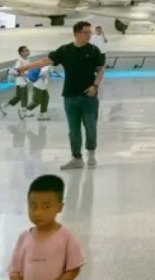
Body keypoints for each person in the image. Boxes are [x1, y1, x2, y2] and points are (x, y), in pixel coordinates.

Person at [17, 21, 105, 170]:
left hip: (89, 97)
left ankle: (91, 153)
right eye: (86, 32)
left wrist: (95, 86)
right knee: (73, 129)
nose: (88, 35)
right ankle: (76, 157)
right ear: (76, 33)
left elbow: (100, 69)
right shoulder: (65, 50)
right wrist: (25, 67)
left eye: (89, 32)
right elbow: (45, 61)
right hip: (70, 96)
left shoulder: (93, 50)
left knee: (90, 126)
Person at [9, 174, 84, 280]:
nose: (38, 213)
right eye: (33, 206)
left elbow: (74, 269)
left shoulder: (66, 236)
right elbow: (14, 272)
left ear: (60, 207)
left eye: (46, 207)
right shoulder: (23, 238)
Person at [0, 46, 31, 118]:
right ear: (21, 53)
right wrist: (26, 74)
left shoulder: (27, 60)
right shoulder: (19, 62)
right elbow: (16, 72)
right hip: (20, 82)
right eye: (26, 50)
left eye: (28, 50)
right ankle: (23, 112)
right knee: (23, 96)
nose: (28, 51)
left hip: (24, 81)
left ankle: (4, 106)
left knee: (20, 96)